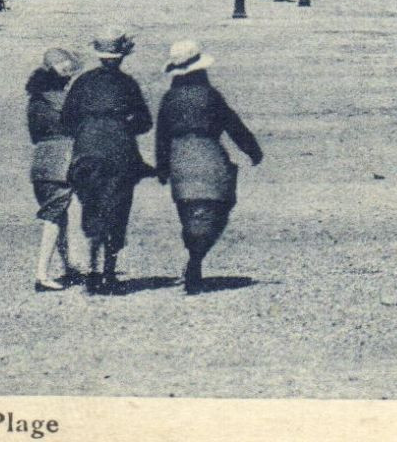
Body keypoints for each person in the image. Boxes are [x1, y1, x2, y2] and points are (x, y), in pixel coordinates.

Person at [155, 41, 262, 294]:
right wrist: (252, 150)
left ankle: (193, 256)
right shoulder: (210, 96)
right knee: (219, 207)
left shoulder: (169, 98)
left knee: (189, 212)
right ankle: (196, 259)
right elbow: (233, 125)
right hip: (209, 155)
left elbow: (161, 135)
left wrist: (162, 168)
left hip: (179, 159)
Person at [60, 28, 152, 295]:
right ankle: (109, 272)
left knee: (92, 207)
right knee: (118, 209)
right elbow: (145, 122)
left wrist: (87, 130)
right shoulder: (127, 84)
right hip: (119, 153)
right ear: (122, 57)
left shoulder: (82, 82)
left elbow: (66, 121)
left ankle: (92, 270)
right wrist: (122, 127)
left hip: (87, 152)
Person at [26, 47, 84, 292]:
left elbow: (34, 135)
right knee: (54, 218)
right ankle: (42, 273)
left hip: (40, 159)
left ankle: (68, 265)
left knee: (57, 215)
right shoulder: (67, 101)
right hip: (63, 160)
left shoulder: (35, 101)